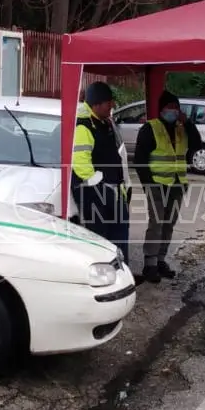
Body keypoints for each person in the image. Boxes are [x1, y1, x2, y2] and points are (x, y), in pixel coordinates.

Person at [134, 90, 202, 284]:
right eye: (169, 107)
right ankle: (150, 264)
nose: (173, 111)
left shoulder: (182, 128)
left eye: (175, 107)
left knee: (168, 223)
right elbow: (140, 160)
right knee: (156, 224)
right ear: (161, 109)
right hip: (157, 184)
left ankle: (161, 260)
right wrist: (149, 184)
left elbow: (196, 145)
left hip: (177, 184)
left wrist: (188, 122)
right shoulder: (150, 128)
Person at [71, 81, 134, 270]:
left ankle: (122, 273)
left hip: (113, 192)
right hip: (96, 196)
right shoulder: (84, 127)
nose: (112, 106)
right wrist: (101, 188)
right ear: (97, 103)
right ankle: (107, 278)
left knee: (119, 237)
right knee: (101, 241)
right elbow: (81, 163)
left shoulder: (103, 123)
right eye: (109, 102)